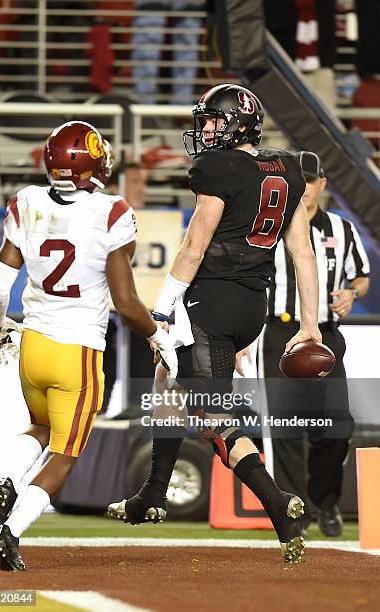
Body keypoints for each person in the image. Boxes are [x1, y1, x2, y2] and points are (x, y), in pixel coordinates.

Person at [108, 83, 322, 564]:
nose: (206, 129)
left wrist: (160, 312)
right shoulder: (287, 169)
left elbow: (193, 247)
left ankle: (276, 503)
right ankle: (154, 492)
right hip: (252, 307)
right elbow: (302, 254)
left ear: (240, 123)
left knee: (210, 416)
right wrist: (309, 324)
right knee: (169, 381)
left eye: (213, 120)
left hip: (211, 303)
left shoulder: (216, 168)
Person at [0, 120, 177, 572]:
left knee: (39, 428)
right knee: (66, 454)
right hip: (79, 350)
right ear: (93, 162)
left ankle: (4, 482)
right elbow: (127, 303)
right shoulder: (111, 212)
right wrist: (155, 335)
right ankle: (10, 529)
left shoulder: (25, 200)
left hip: (33, 347)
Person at [258, 150, 370, 537]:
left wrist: (351, 294)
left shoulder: (342, 229)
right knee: (285, 428)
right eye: (296, 179)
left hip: (325, 334)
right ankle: (295, 511)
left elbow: (361, 277)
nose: (303, 187)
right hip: (278, 332)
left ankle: (326, 501)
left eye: (310, 180)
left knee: (337, 425)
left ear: (322, 183)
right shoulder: (268, 226)